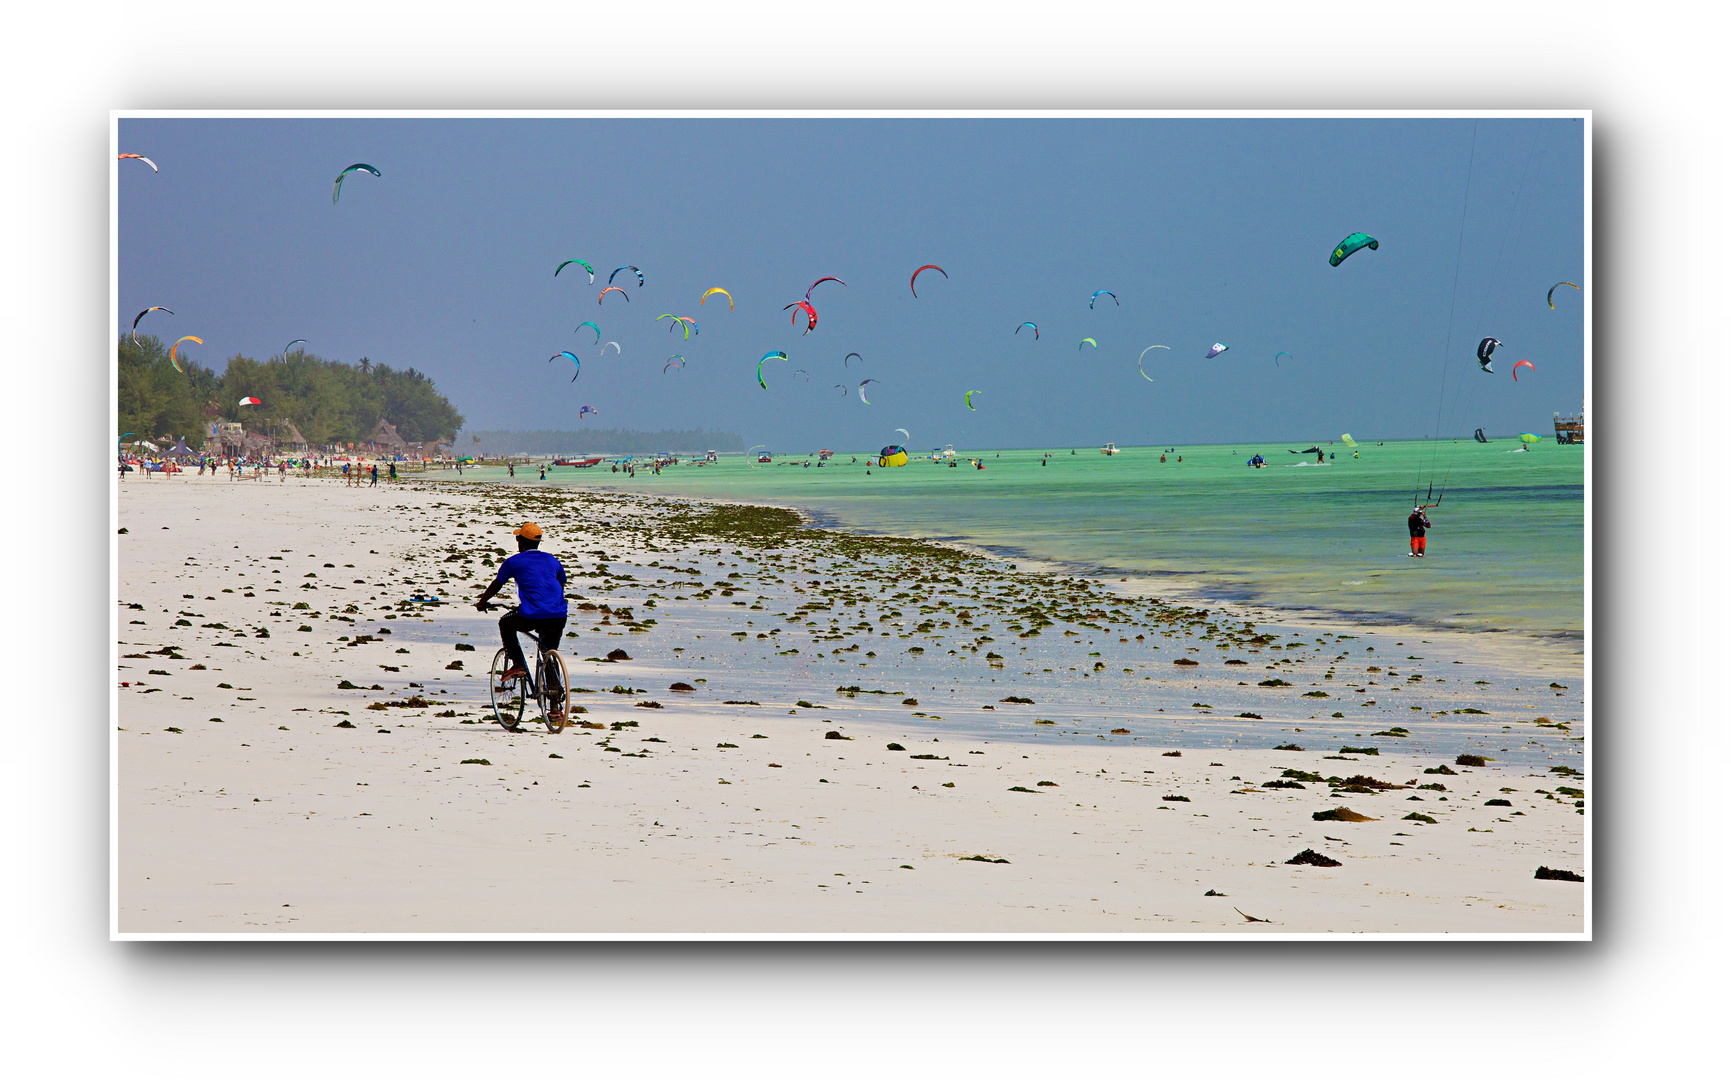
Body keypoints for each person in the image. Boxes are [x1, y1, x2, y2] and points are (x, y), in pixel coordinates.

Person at [475, 522, 568, 683]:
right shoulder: (553, 560)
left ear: (522, 542)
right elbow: (560, 584)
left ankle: (518, 664)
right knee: (548, 653)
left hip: (532, 615)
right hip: (559, 615)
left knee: (505, 623)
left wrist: (482, 602)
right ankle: (554, 703)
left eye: (518, 539)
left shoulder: (513, 562)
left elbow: (497, 584)